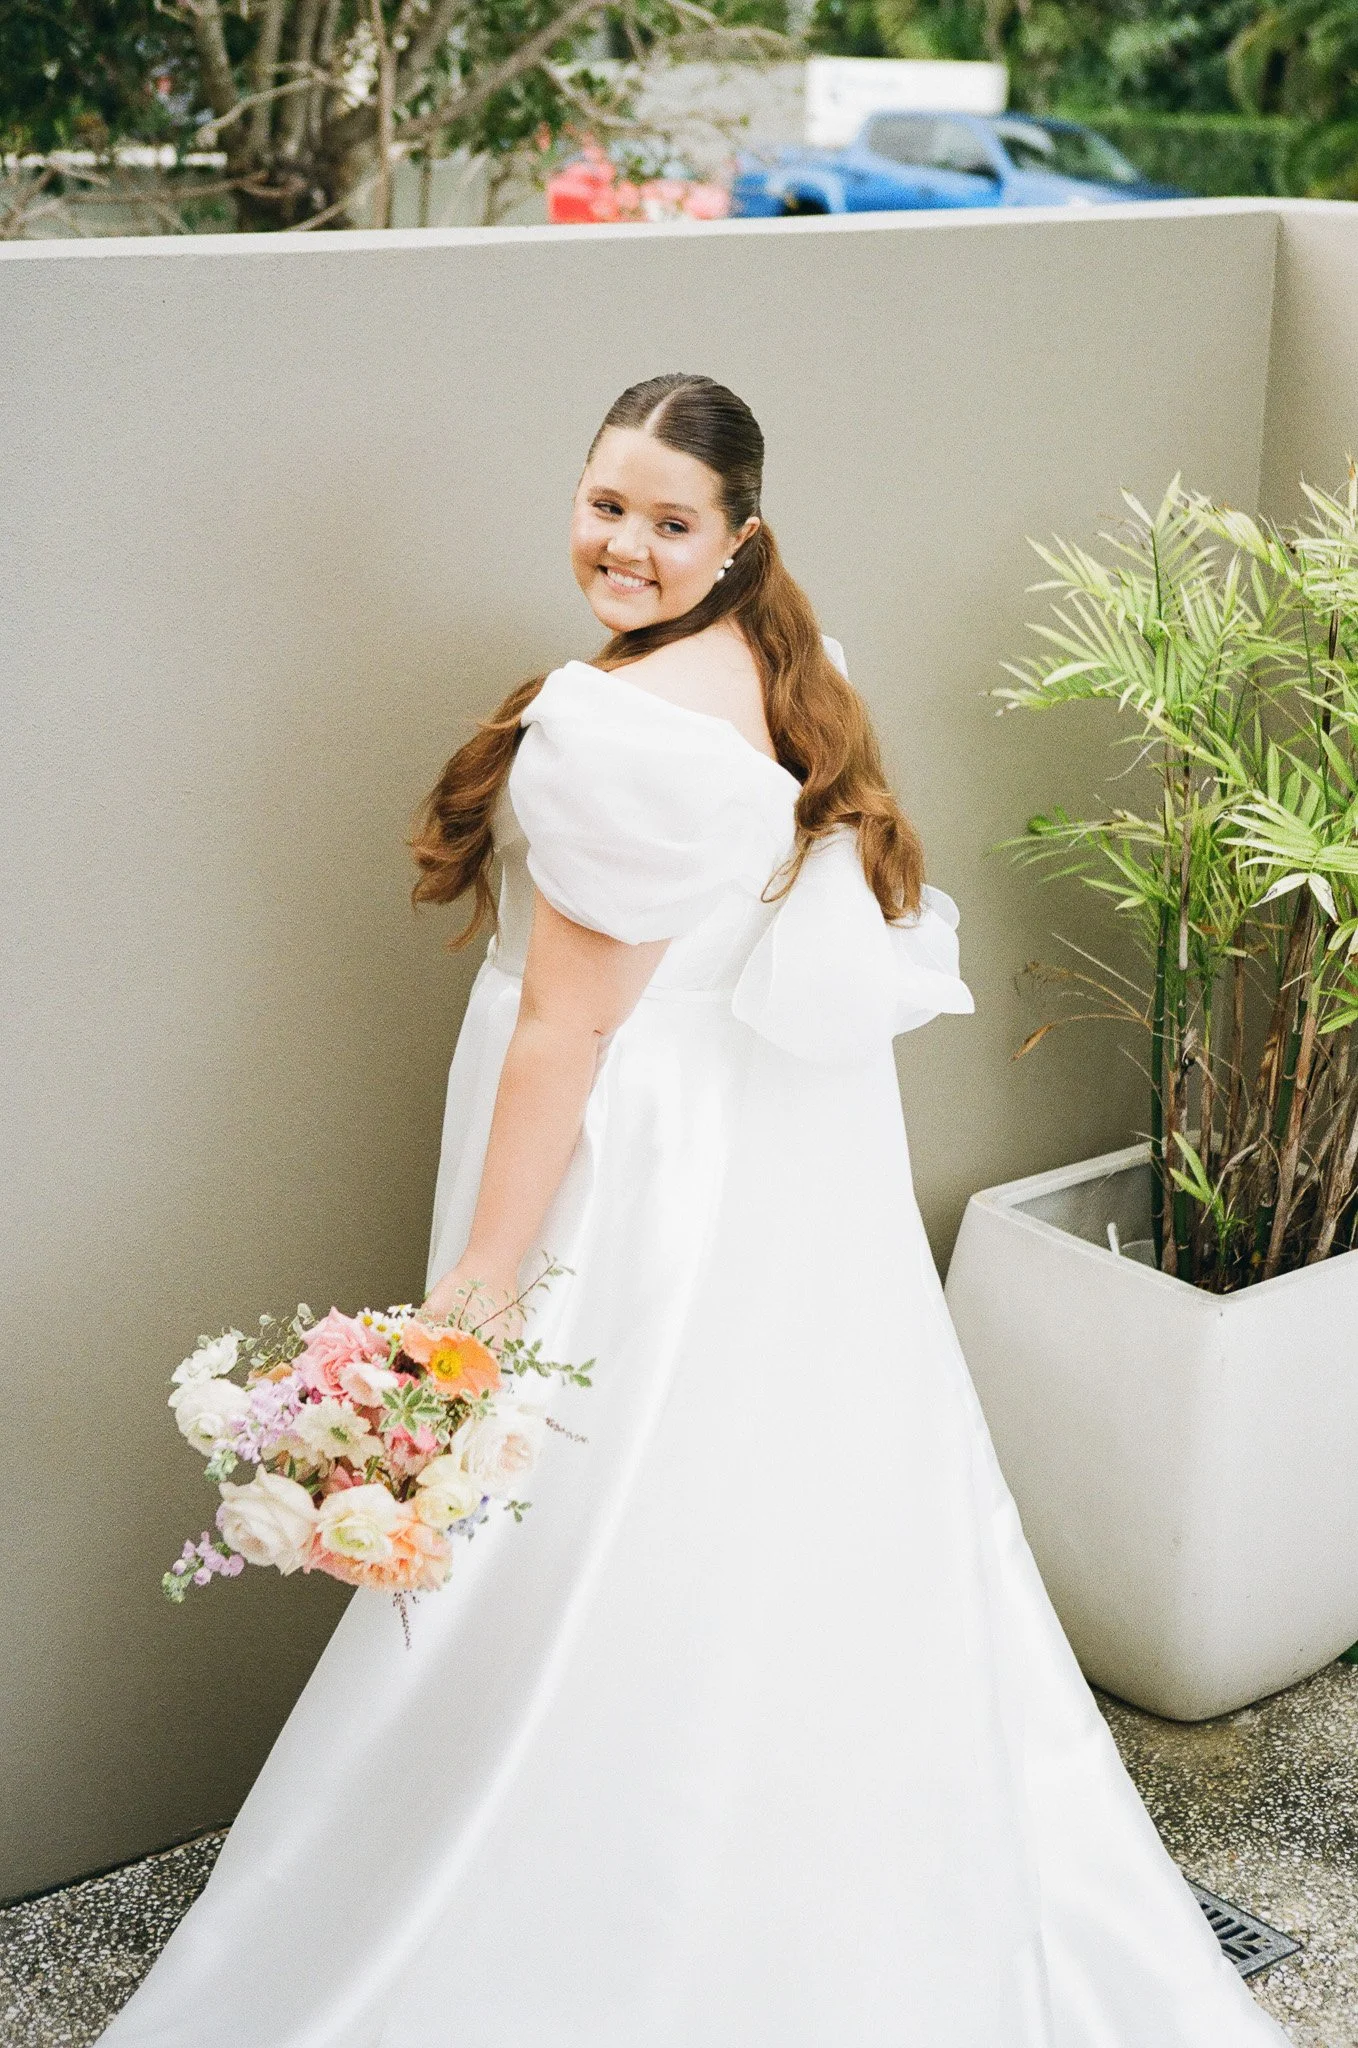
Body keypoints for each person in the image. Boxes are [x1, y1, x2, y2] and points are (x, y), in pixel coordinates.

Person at [98, 374, 1287, 2047]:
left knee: (570, 1512)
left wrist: (479, 1290)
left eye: (669, 521)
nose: (625, 545)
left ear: (737, 536)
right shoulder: (795, 667)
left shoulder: (609, 734)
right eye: (605, 504)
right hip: (764, 1166)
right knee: (759, 1497)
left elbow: (572, 1029)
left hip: (629, 1162)